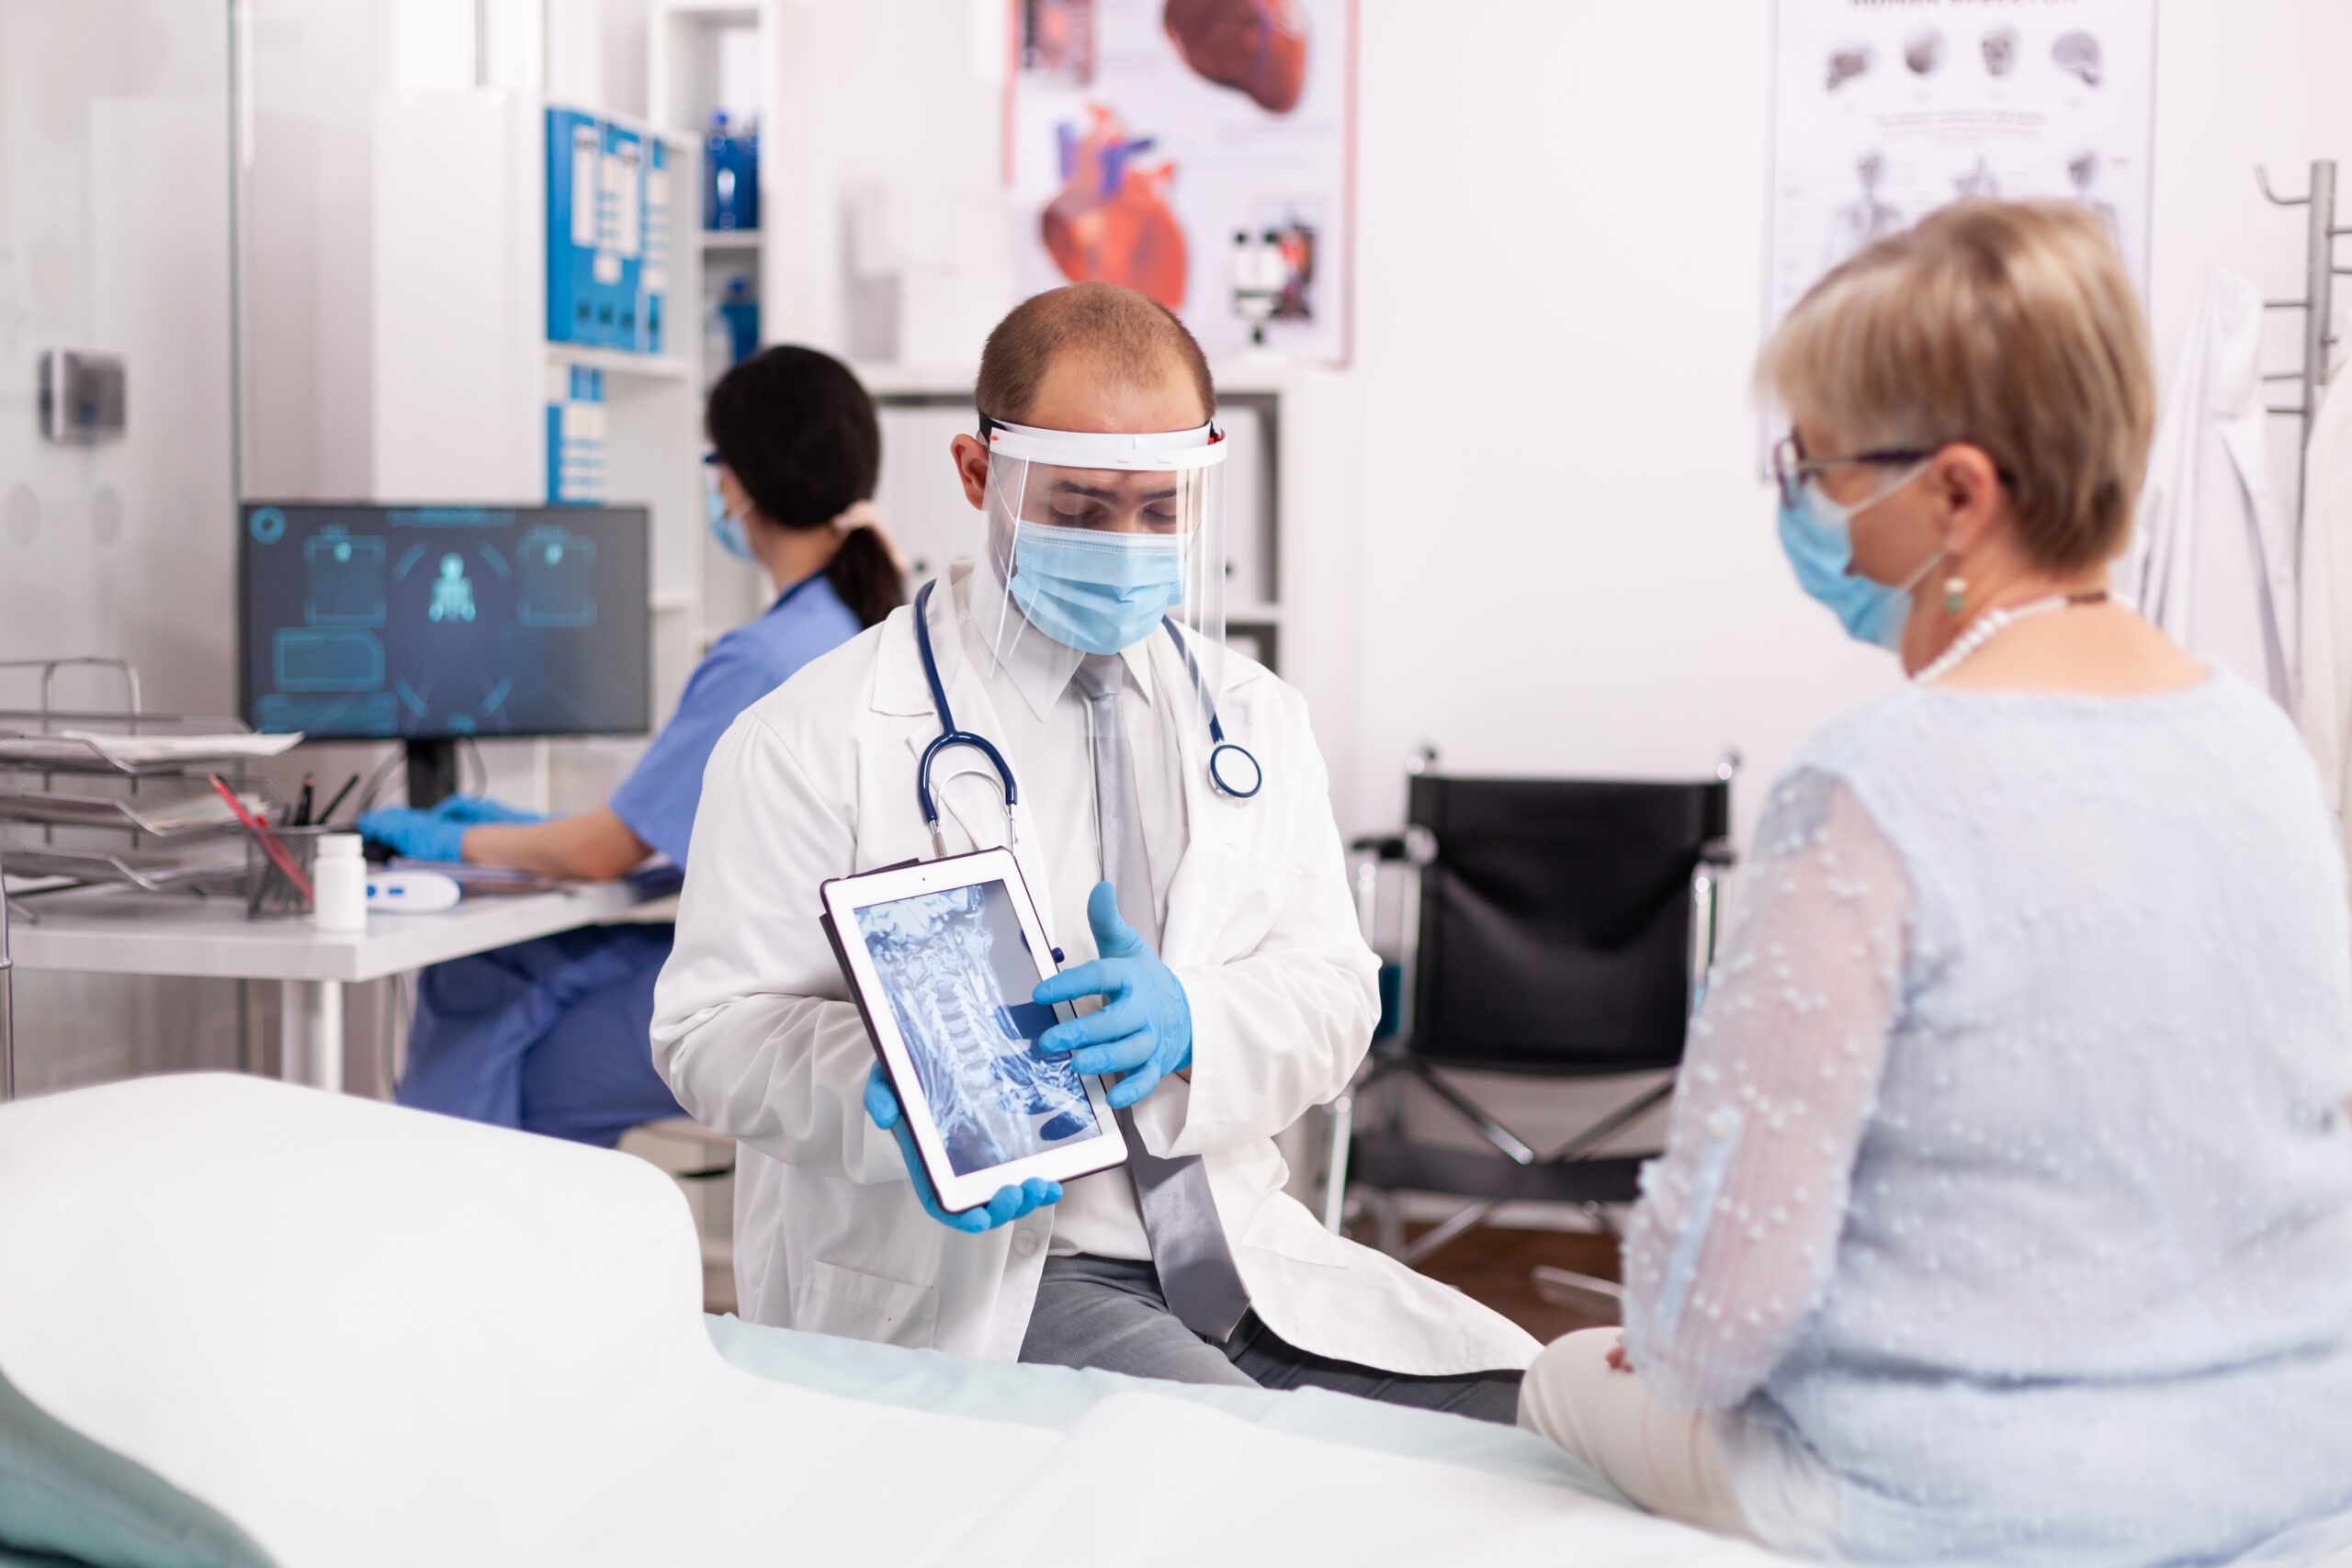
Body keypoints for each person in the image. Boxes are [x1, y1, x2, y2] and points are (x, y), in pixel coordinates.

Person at [1516, 200, 2352, 1562]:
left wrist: (1649, 1349)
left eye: (1818, 465)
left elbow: (1716, 1311)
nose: (1799, 499)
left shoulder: (1871, 787)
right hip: (2292, 1459)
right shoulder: (2259, 746)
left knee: (1565, 1368)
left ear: (1958, 492)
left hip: (1952, 1495)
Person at [652, 282, 1537, 1418]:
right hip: (992, 1279)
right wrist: (889, 1084)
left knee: (1532, 1421)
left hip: (1237, 1251)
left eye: (1159, 513)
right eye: (1077, 507)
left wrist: (1191, 1019)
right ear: (979, 476)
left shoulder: (1252, 718)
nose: (1123, 545)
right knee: (1235, 1467)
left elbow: (1333, 997)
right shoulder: (812, 735)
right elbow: (709, 1031)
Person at [358, 346, 903, 1145]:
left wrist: (452, 838)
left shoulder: (761, 656)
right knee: (492, 977)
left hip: (779, 994)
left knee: (501, 1036)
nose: (715, 485)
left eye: (716, 462)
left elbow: (603, 854)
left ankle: (448, 1225)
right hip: (828, 977)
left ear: (742, 480)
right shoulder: (864, 619)